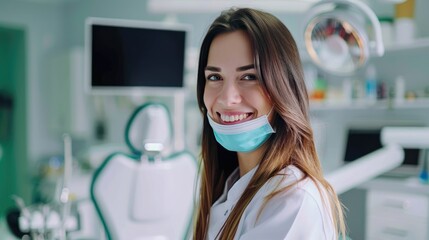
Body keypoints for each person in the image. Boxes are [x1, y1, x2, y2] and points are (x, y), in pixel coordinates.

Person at [193, 7, 346, 240]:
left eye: (249, 77)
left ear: (283, 87)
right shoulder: (230, 187)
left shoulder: (293, 198)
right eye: (215, 77)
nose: (227, 98)